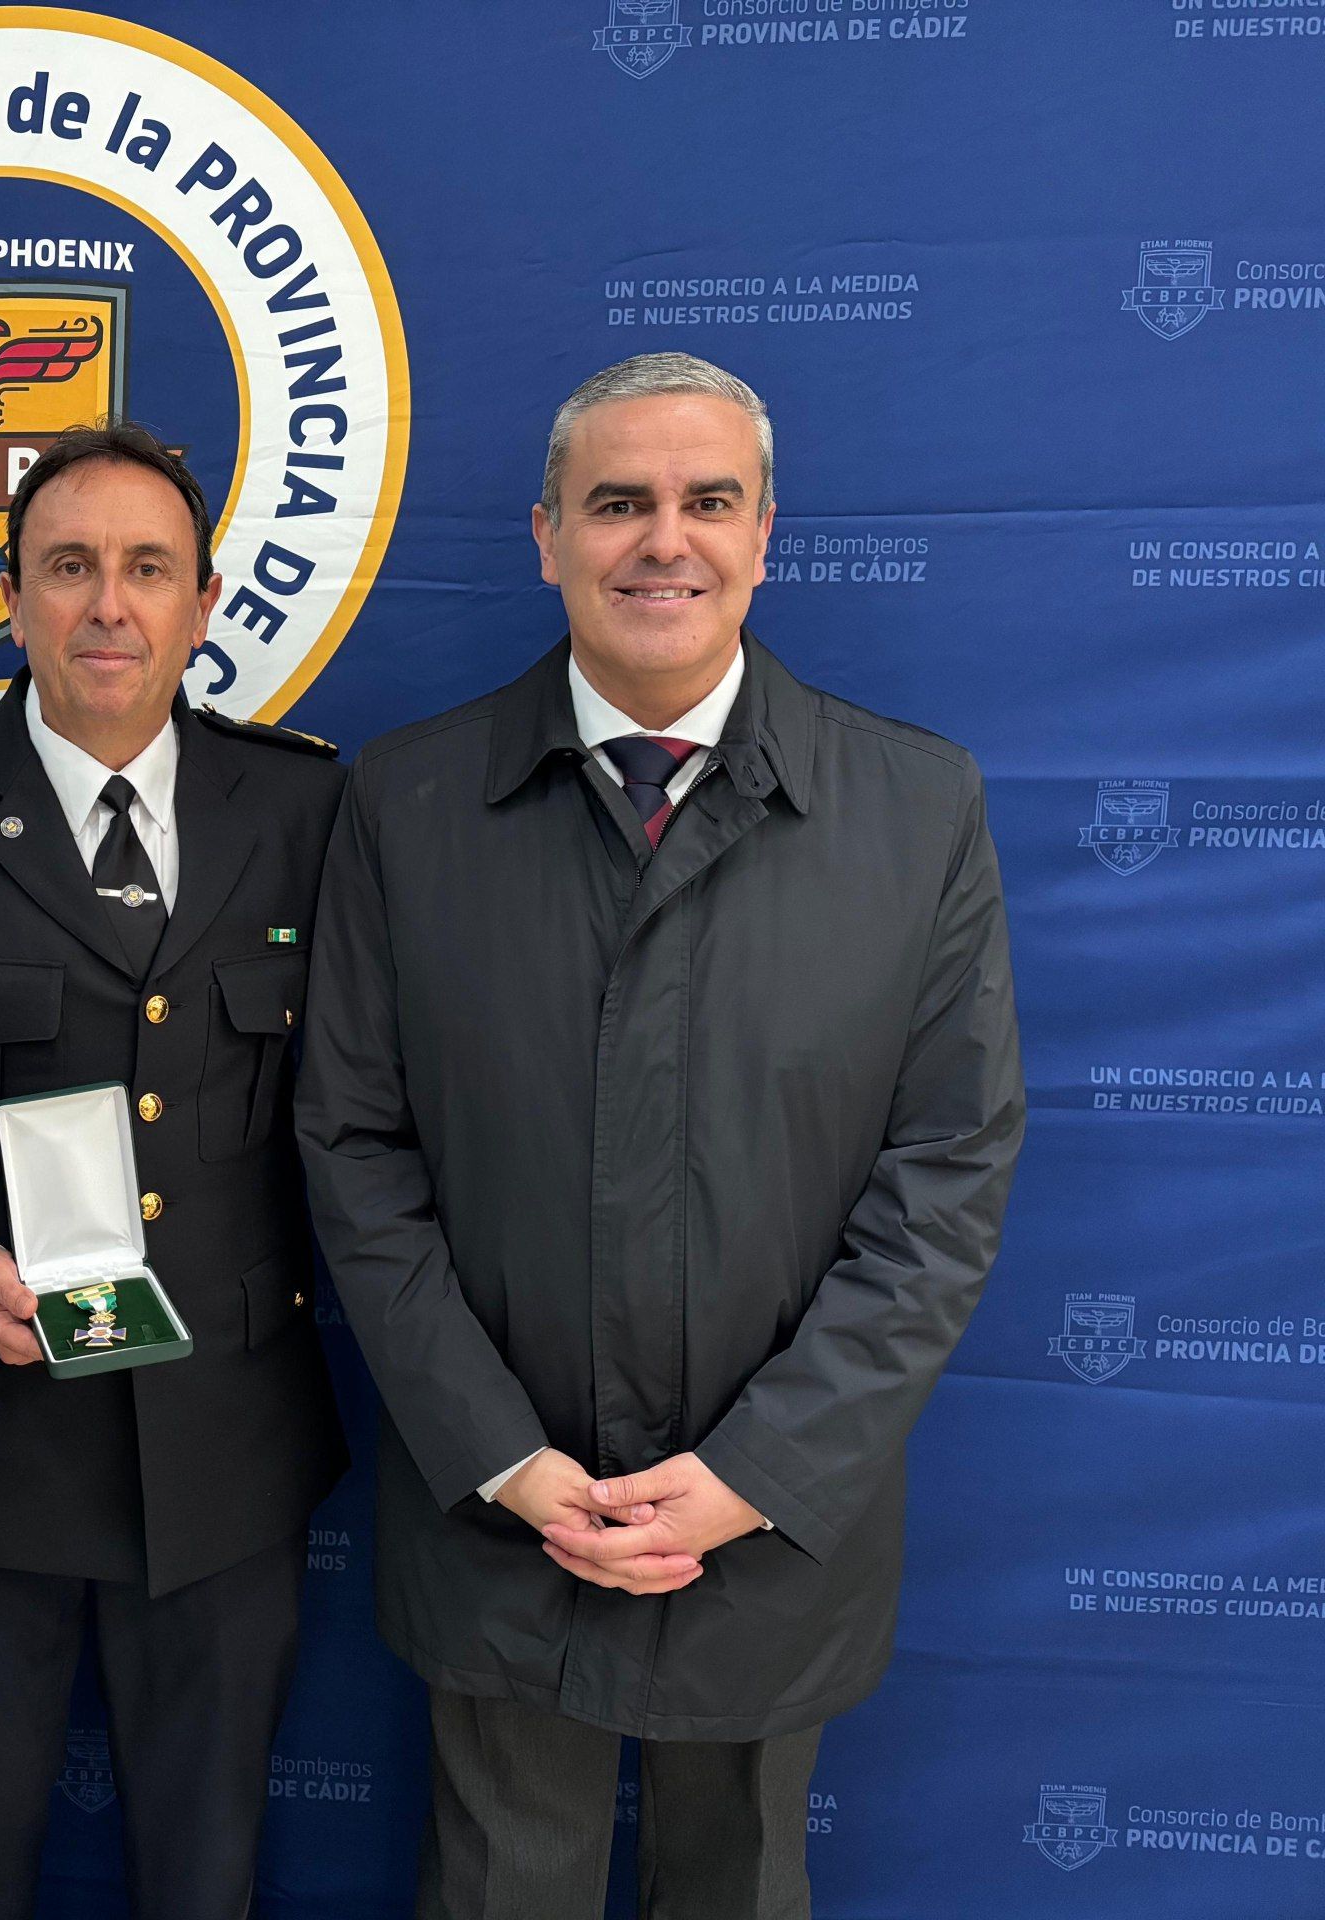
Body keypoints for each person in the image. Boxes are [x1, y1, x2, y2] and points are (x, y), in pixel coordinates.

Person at [295, 352, 1023, 1919]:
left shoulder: (915, 810)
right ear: (546, 535)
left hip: (772, 1528)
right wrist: (505, 1459)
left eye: (709, 501)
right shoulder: (407, 805)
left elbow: (947, 1178)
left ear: (766, 536)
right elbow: (354, 1153)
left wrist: (759, 1471)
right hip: (500, 1516)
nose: (664, 540)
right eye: (618, 502)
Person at [0, 421, 348, 1920]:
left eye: (149, 569)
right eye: (70, 566)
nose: (110, 604)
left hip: (229, 1447)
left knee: (207, 1882)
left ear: (205, 603)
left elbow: (357, 1112)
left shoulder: (305, 813)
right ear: (10, 599)